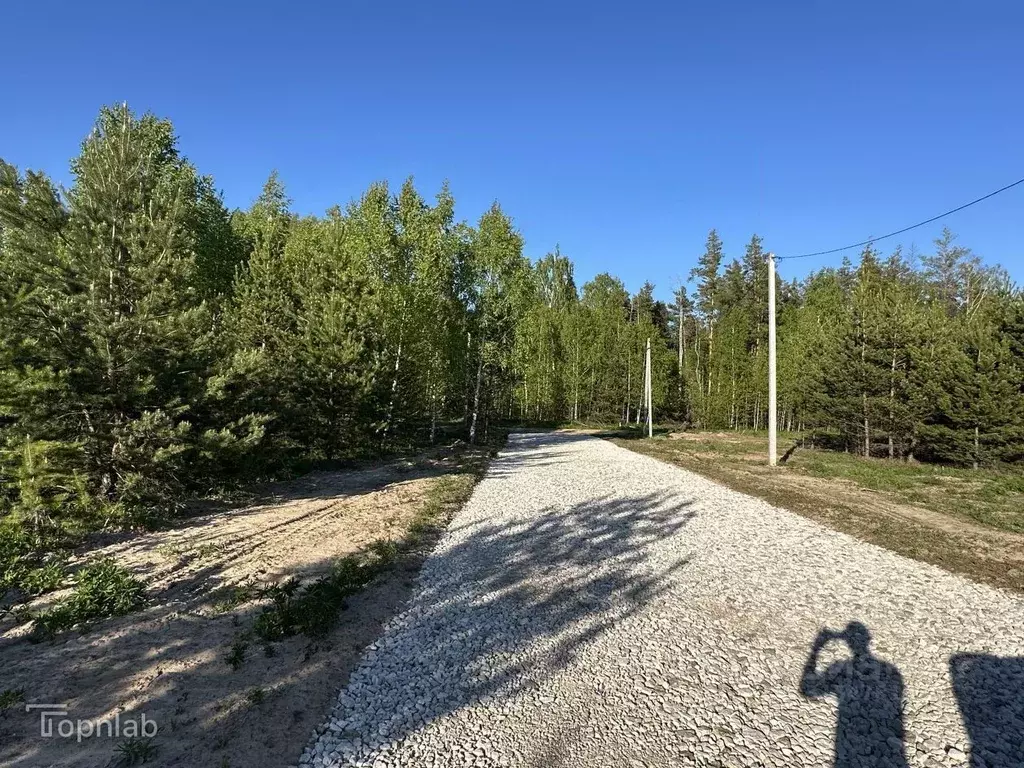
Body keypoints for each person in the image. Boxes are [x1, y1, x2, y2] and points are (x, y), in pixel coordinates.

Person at [800, 622, 908, 768]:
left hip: (847, 748)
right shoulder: (891, 671)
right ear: (868, 639)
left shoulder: (841, 669)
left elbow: (807, 689)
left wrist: (817, 648)